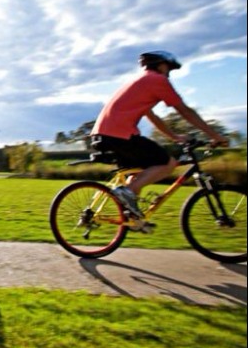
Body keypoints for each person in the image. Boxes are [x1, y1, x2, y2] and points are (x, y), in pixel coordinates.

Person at [90, 50, 229, 226]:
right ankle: (126, 192)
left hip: (105, 135)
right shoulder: (157, 80)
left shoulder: (141, 81)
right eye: (169, 69)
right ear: (161, 65)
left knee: (139, 173)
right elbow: (185, 111)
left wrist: (174, 136)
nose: (169, 73)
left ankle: (134, 219)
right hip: (119, 134)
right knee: (168, 163)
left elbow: (152, 116)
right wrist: (214, 135)